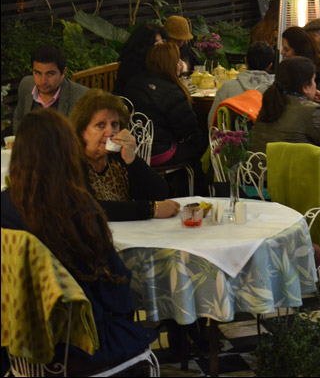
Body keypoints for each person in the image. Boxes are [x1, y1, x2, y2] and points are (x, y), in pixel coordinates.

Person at [1, 108, 157, 371]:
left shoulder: (4, 206)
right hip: (78, 346)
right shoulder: (76, 210)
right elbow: (115, 291)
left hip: (18, 341)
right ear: (67, 153)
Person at [251, 57, 320, 263]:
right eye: (314, 81)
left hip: (258, 188)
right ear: (306, 86)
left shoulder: (269, 103)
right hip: (291, 196)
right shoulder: (309, 110)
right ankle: (303, 248)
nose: (316, 85)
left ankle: (299, 243)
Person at [70, 88, 180, 221]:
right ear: (82, 131)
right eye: (100, 125)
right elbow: (91, 208)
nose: (110, 132)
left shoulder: (117, 156)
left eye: (114, 124)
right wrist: (151, 209)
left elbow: (159, 192)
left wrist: (132, 160)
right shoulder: (73, 161)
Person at [123, 42, 208, 193]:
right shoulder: (172, 92)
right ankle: (195, 192)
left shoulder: (133, 83)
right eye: (178, 60)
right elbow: (187, 131)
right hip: (159, 153)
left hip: (134, 150)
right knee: (202, 144)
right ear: (172, 64)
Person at [13, 44, 88, 134]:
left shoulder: (82, 98)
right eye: (37, 73)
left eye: (50, 74)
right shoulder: (26, 85)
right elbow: (18, 118)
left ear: (63, 72)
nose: (43, 81)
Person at [208, 41, 275, 128]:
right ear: (270, 66)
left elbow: (212, 123)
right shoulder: (275, 91)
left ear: (245, 60)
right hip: (265, 140)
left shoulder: (227, 87)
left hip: (231, 140)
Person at [113, 23, 167, 94]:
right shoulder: (132, 64)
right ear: (144, 45)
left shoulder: (153, 59)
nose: (160, 47)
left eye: (162, 42)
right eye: (157, 43)